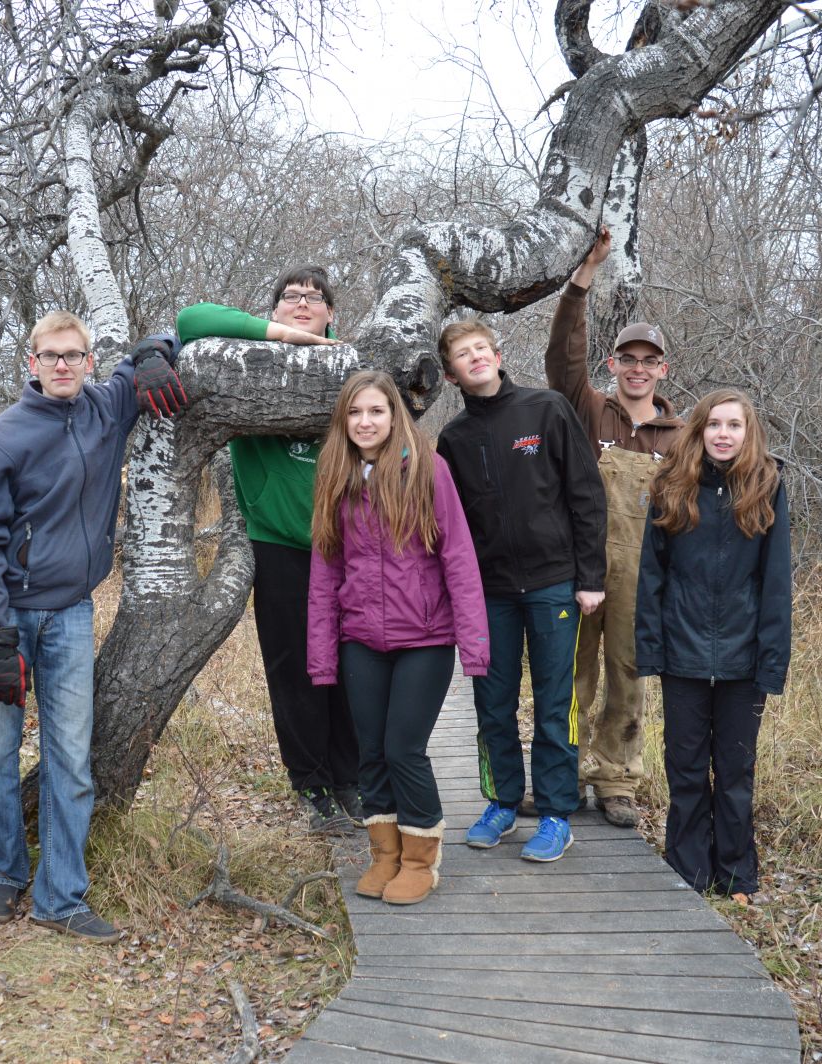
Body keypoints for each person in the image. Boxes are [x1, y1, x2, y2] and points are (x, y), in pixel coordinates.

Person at [0, 311, 185, 940]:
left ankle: (62, 899)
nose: (62, 365)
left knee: (71, 760)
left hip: (72, 613)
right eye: (50, 355)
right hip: (8, 617)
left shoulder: (106, 407)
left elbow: (164, 340)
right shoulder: (4, 438)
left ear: (87, 361)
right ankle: (7, 870)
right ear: (31, 363)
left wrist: (153, 351)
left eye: (73, 355)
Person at [177, 269, 363, 835]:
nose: (302, 303)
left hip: (350, 549)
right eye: (290, 297)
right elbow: (190, 321)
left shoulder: (348, 367)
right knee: (294, 671)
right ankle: (311, 785)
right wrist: (282, 336)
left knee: (352, 667)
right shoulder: (245, 363)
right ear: (274, 312)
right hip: (280, 546)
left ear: (332, 314)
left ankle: (351, 780)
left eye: (315, 299)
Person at [306, 371, 489, 905]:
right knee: (370, 751)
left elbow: (458, 557)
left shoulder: (429, 471)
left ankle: (419, 859)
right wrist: (322, 654)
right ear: (344, 420)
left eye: (376, 412)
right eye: (355, 413)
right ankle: (384, 856)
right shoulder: (336, 475)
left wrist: (474, 643)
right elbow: (325, 572)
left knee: (403, 748)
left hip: (425, 637)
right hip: (360, 636)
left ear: (395, 416)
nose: (365, 422)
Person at [434, 320, 607, 863]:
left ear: (498, 354)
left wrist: (591, 578)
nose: (476, 358)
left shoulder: (546, 409)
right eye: (464, 354)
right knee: (493, 702)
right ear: (450, 373)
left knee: (556, 704)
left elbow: (586, 494)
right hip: (491, 593)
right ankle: (502, 802)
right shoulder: (454, 439)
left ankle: (556, 814)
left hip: (555, 584)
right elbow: (452, 527)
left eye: (482, 348)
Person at [542, 228, 684, 829]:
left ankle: (617, 780)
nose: (638, 369)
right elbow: (560, 354)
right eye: (628, 359)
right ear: (613, 363)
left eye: (649, 362)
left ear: (662, 371)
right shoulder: (585, 406)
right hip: (577, 567)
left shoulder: (681, 440)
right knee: (569, 671)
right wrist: (585, 274)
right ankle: (561, 773)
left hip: (641, 578)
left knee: (628, 678)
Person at [635, 389, 791, 903]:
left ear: (749, 434)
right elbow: (651, 576)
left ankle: (735, 873)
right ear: (699, 429)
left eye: (734, 425)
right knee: (683, 766)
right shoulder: (671, 487)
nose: (723, 434)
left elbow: (775, 583)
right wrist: (651, 649)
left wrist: (772, 662)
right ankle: (687, 871)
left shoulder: (768, 487)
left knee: (735, 770)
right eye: (714, 424)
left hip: (744, 659)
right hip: (682, 653)